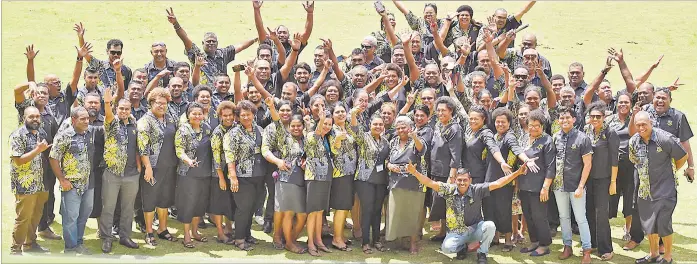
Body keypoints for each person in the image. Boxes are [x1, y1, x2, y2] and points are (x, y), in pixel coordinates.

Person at [407, 162, 529, 264]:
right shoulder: (448, 190)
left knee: (490, 226)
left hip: (475, 229)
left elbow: (498, 183)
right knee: (447, 248)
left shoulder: (477, 189)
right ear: (455, 180)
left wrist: (517, 172)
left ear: (470, 180)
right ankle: (462, 247)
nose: (462, 183)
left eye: (465, 180)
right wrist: (414, 172)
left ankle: (482, 253)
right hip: (457, 232)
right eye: (459, 180)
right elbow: (429, 182)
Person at [629, 111, 688, 264]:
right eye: (638, 125)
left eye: (644, 124)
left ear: (651, 123)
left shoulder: (664, 138)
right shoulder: (634, 141)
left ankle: (667, 257)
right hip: (645, 191)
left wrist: (670, 172)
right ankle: (653, 254)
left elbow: (682, 156)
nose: (641, 127)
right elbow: (634, 160)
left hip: (665, 190)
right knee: (649, 224)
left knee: (663, 224)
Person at [485, 107, 539, 251]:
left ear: (509, 123)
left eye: (503, 122)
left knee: (504, 210)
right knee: (493, 209)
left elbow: (516, 149)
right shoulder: (495, 137)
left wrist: (527, 160)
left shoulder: (510, 136)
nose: (500, 124)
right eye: (497, 122)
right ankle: (496, 237)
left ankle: (508, 240)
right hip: (491, 179)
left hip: (505, 180)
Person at [13, 81, 62, 241]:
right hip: (28, 169)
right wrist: (29, 84)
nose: (41, 95)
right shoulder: (26, 110)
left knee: (45, 200)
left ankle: (42, 229)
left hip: (46, 166)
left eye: (45, 93)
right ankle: (20, 243)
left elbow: (55, 139)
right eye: (38, 92)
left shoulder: (48, 116)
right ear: (33, 95)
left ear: (49, 97)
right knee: (27, 207)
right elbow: (17, 91)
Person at [49, 106, 101, 255]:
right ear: (73, 120)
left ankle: (79, 242)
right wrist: (61, 179)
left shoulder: (90, 132)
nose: (86, 121)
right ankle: (70, 248)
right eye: (82, 119)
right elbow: (53, 158)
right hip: (71, 185)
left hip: (89, 183)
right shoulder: (64, 136)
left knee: (84, 214)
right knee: (71, 217)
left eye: (87, 118)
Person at [263, 98, 308, 254]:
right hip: (286, 178)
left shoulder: (304, 139)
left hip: (302, 180)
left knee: (302, 215)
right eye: (293, 126)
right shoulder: (284, 136)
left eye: (298, 126)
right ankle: (288, 242)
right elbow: (277, 120)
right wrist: (271, 107)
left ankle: (290, 238)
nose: (295, 128)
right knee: (286, 211)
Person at [166, 7, 256, 84]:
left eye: (213, 41)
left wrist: (256, 39)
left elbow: (240, 46)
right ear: (202, 43)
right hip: (202, 95)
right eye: (208, 41)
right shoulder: (197, 54)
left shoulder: (223, 54)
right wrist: (175, 23)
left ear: (217, 43)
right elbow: (185, 39)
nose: (211, 43)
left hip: (221, 93)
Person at [549, 106, 593, 264]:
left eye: (568, 117)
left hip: (576, 186)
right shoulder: (555, 137)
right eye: (561, 118)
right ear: (558, 120)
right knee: (564, 217)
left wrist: (581, 186)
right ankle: (567, 246)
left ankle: (586, 250)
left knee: (581, 219)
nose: (564, 120)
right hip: (559, 186)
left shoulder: (583, 138)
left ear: (574, 119)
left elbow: (587, 165)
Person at [99, 87, 140, 253]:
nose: (123, 111)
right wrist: (108, 102)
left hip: (131, 175)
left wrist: (138, 165)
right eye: (121, 108)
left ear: (131, 110)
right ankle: (107, 238)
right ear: (117, 109)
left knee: (128, 208)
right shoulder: (111, 123)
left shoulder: (134, 124)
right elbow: (108, 114)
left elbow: (138, 146)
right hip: (112, 174)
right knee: (108, 207)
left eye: (127, 109)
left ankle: (125, 236)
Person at [137, 87, 179, 246]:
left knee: (165, 199)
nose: (162, 106)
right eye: (158, 103)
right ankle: (149, 231)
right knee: (150, 199)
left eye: (164, 103)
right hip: (153, 168)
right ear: (151, 103)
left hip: (169, 166)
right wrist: (147, 166)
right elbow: (143, 146)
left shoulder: (169, 118)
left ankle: (162, 229)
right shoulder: (145, 121)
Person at [225, 100, 267, 251]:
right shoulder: (233, 133)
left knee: (253, 207)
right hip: (242, 177)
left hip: (259, 175)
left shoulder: (260, 130)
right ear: (238, 116)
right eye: (243, 115)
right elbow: (230, 156)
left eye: (249, 114)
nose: (246, 117)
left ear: (253, 115)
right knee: (243, 208)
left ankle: (247, 234)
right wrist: (233, 176)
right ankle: (239, 239)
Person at [9, 106, 52, 255]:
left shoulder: (41, 133)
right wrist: (37, 150)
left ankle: (30, 243)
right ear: (24, 118)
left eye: (37, 116)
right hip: (25, 185)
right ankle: (15, 250)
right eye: (31, 116)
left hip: (41, 183)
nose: (35, 119)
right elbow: (18, 160)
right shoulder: (17, 135)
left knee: (36, 216)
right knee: (23, 218)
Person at [350, 107, 389, 254]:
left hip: (380, 180)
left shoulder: (385, 141)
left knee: (378, 211)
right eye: (375, 124)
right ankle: (365, 242)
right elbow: (354, 128)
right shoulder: (363, 137)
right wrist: (353, 114)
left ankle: (376, 240)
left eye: (380, 124)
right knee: (367, 210)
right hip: (364, 180)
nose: (378, 127)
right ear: (370, 125)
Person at [583, 101, 619, 260]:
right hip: (588, 179)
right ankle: (593, 244)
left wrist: (613, 181)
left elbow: (614, 160)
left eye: (598, 116)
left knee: (601, 215)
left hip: (604, 179)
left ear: (604, 117)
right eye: (592, 116)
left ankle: (606, 248)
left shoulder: (611, 133)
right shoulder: (586, 130)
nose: (595, 119)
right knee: (589, 212)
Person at [174, 102, 213, 248]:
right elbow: (179, 150)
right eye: (194, 113)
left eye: (199, 113)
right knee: (188, 204)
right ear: (188, 115)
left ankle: (195, 232)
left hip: (205, 173)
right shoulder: (183, 130)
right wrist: (188, 160)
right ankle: (186, 235)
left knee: (200, 204)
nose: (197, 116)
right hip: (188, 174)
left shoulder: (207, 128)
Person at [518, 109, 555, 257]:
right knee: (528, 214)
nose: (533, 128)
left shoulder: (547, 141)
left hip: (539, 187)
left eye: (537, 125)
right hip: (524, 186)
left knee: (540, 216)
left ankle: (544, 244)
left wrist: (545, 187)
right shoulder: (524, 139)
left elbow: (551, 167)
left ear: (542, 126)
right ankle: (534, 241)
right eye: (531, 125)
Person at [386, 116, 425, 255]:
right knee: (397, 213)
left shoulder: (416, 139)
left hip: (412, 182)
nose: (401, 130)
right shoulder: (393, 141)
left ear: (410, 127)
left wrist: (414, 137)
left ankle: (413, 243)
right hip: (395, 182)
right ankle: (398, 241)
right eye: (398, 128)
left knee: (412, 214)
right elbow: (387, 158)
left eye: (404, 127)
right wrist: (389, 165)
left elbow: (421, 149)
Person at [427, 97, 463, 242]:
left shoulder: (455, 128)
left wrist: (452, 176)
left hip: (446, 173)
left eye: (444, 110)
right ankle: (442, 232)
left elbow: (456, 154)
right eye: (438, 110)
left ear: (451, 111)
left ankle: (451, 235)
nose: (440, 113)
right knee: (440, 204)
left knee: (449, 205)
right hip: (436, 171)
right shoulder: (438, 125)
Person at [303, 106, 334, 256]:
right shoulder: (311, 135)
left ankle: (318, 240)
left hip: (326, 177)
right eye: (324, 123)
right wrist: (321, 120)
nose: (326, 127)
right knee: (312, 212)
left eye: (329, 124)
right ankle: (310, 243)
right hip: (314, 177)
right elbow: (314, 138)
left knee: (320, 211)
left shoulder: (326, 139)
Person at [328, 102, 357, 251]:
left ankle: (340, 235)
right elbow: (333, 150)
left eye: (342, 111)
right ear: (332, 116)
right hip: (339, 174)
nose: (340, 114)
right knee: (340, 207)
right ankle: (336, 238)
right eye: (337, 112)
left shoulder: (347, 129)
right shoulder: (331, 130)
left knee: (346, 206)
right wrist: (338, 139)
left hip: (351, 173)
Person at [210, 101, 236, 245]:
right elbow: (216, 157)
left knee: (230, 202)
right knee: (219, 204)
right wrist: (221, 177)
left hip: (233, 170)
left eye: (230, 115)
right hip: (220, 172)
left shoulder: (236, 128)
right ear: (220, 115)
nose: (228, 118)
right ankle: (220, 233)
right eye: (224, 115)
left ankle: (229, 228)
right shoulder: (217, 133)